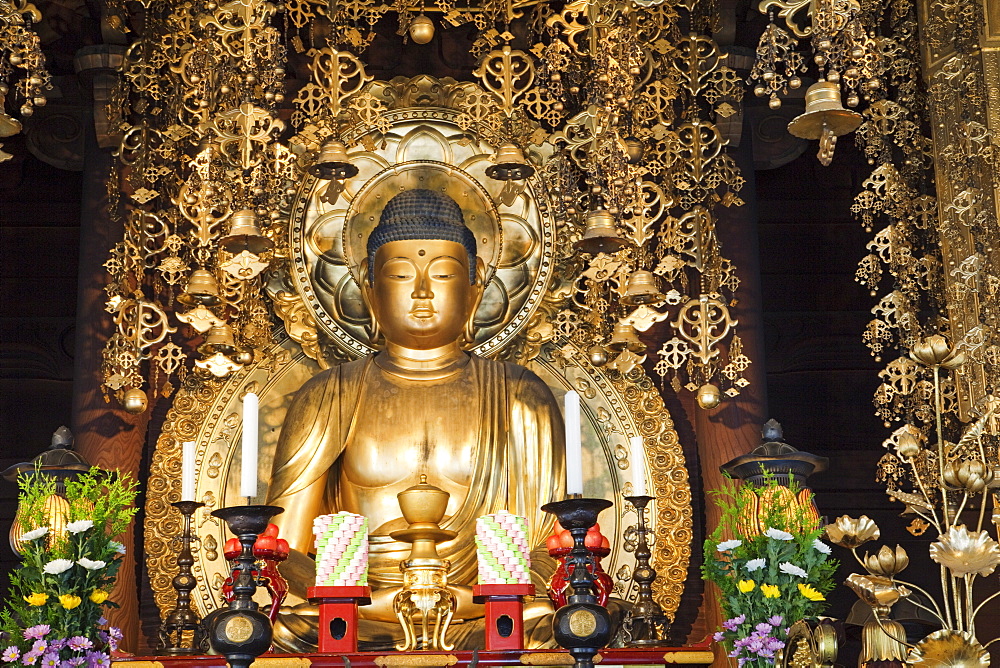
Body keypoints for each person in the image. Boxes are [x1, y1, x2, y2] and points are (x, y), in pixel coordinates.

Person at [266, 188, 565, 650]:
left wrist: (479, 596)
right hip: (357, 611)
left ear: (476, 282)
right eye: (401, 274)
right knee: (282, 628)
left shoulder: (520, 395)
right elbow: (279, 550)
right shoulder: (330, 393)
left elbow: (550, 547)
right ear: (368, 285)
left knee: (551, 626)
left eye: (443, 273)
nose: (422, 292)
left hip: (487, 609)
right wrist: (353, 598)